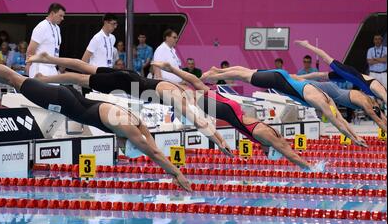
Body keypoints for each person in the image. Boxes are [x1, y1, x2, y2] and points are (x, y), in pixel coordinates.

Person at [0, 56, 191, 192]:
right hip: (64, 103)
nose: (118, 147)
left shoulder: (136, 124)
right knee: (15, 78)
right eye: (122, 147)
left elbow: (151, 142)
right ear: (130, 142)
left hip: (73, 99)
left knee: (15, 81)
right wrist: (177, 174)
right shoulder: (129, 130)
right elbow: (155, 152)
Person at [26, 52, 233, 156]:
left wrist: (220, 139)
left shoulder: (184, 90)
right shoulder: (181, 102)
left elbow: (195, 87)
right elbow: (200, 123)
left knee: (86, 67)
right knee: (80, 79)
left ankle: (48, 58)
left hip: (131, 77)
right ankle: (43, 79)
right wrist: (219, 143)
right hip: (128, 84)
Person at [152, 61, 325, 172]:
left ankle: (177, 72)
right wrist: (309, 167)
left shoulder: (267, 136)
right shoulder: (265, 137)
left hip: (232, 110)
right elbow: (289, 153)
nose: (263, 153)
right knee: (192, 92)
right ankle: (170, 72)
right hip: (228, 112)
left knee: (194, 88)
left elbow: (286, 148)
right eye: (267, 153)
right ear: (270, 149)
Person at [201, 65, 368, 147]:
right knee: (243, 76)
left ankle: (217, 71)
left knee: (246, 71)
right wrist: (354, 138)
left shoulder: (327, 98)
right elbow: (338, 123)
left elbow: (340, 120)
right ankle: (214, 76)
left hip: (282, 76)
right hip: (278, 81)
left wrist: (356, 135)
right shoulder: (322, 102)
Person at [295, 40, 387, 105]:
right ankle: (307, 44)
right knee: (326, 58)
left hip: (348, 78)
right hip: (350, 73)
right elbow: (384, 96)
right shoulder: (380, 89)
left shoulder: (378, 93)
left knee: (323, 75)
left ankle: (298, 77)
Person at [293, 76, 387, 131]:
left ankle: (289, 77)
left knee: (303, 82)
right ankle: (286, 76)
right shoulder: (368, 105)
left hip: (335, 91)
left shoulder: (371, 101)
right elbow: (379, 121)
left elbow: (381, 118)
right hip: (333, 91)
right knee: (302, 82)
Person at [26, 3, 66, 77]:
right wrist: (28, 66)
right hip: (40, 66)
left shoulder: (57, 28)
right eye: (60, 15)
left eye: (63, 16)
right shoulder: (41, 26)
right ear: (52, 13)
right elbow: (31, 49)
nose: (62, 18)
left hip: (53, 67)